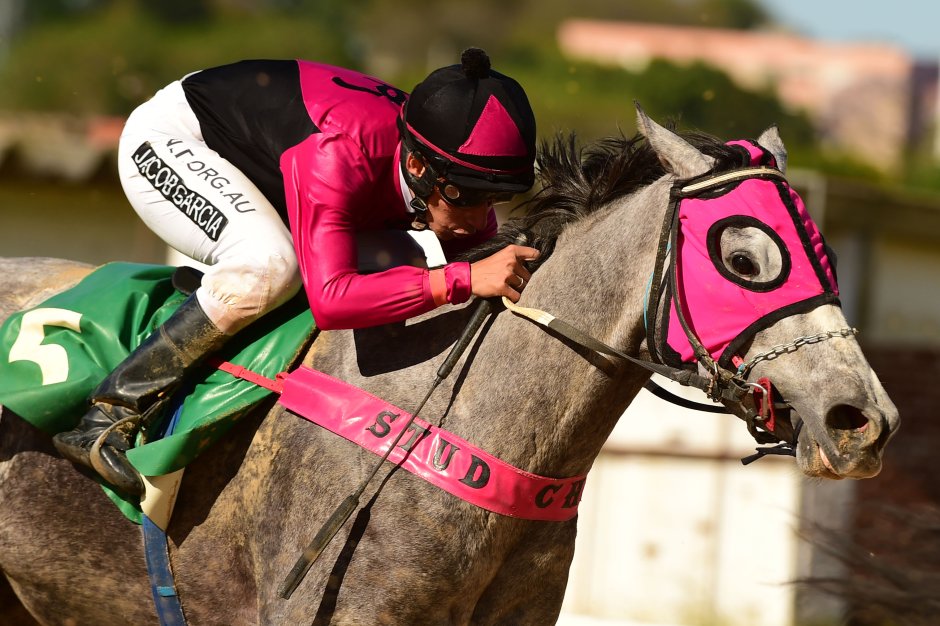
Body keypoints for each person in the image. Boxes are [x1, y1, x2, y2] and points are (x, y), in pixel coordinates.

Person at [52, 48, 540, 496]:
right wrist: (461, 280)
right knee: (270, 266)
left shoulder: (438, 161)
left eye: (494, 197)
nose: (480, 217)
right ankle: (107, 415)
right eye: (465, 195)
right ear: (417, 165)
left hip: (277, 158)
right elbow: (332, 300)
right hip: (174, 140)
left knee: (416, 260)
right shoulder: (339, 153)